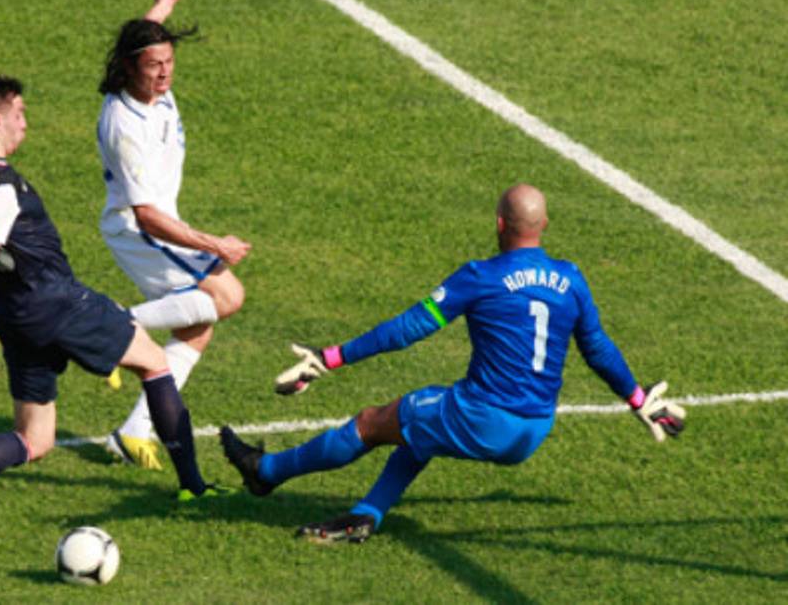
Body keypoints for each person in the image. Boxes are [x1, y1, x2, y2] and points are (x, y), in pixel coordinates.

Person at [219, 184, 686, 543]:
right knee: (419, 426)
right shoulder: (571, 279)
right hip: (534, 429)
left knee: (371, 421)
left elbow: (409, 329)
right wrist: (638, 399)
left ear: (500, 224)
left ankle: (266, 473)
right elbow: (598, 348)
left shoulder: (480, 277)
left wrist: (331, 358)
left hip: (483, 416)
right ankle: (366, 514)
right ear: (543, 225)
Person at [0, 76, 227, 518]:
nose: (25, 124)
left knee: (35, 439)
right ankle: (194, 487)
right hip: (56, 302)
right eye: (19, 115)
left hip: (15, 316)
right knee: (154, 365)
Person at [96, 0, 250, 470]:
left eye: (169, 63)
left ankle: (134, 431)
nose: (164, 74)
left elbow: (146, 37)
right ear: (129, 68)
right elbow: (148, 216)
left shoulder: (148, 78)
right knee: (228, 297)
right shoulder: (125, 126)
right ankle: (112, 328)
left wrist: (159, 8)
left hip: (160, 221)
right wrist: (214, 244)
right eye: (154, 66)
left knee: (196, 327)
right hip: (140, 230)